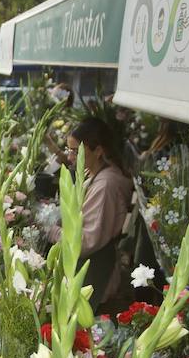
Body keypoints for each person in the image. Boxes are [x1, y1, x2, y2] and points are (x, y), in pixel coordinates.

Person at [48, 116, 133, 305]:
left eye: (76, 151)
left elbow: (85, 242)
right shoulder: (93, 172)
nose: (71, 157)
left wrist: (51, 230)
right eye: (69, 150)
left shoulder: (105, 186)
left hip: (96, 274)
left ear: (98, 151)